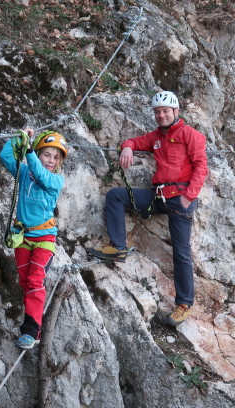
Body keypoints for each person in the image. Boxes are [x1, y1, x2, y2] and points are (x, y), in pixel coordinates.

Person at [89, 91, 209, 327]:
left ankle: (184, 303)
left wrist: (188, 198)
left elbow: (201, 167)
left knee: (181, 252)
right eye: (157, 112)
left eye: (165, 111)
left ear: (176, 112)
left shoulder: (191, 135)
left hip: (180, 200)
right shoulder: (156, 137)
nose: (161, 115)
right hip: (158, 197)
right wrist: (127, 148)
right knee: (116, 196)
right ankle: (117, 246)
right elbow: (134, 142)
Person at [0, 128, 68, 349]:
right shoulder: (24, 172)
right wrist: (20, 137)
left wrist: (29, 150)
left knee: (35, 279)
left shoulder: (56, 180)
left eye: (56, 157)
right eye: (47, 154)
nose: (51, 160)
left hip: (45, 237)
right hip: (24, 237)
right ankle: (32, 323)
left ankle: (31, 330)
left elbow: (40, 174)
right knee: (24, 281)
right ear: (38, 154)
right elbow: (6, 156)